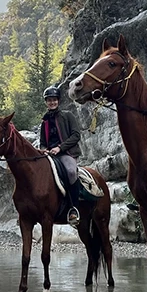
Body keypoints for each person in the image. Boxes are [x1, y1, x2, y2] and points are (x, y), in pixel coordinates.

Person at [40, 85, 82, 227]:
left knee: (71, 172)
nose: (52, 102)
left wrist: (60, 147)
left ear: (58, 101)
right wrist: (44, 150)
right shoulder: (44, 121)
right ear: (46, 102)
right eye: (49, 100)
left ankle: (74, 208)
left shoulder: (67, 116)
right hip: (50, 155)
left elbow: (76, 135)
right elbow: (42, 142)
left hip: (66, 153)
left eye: (54, 100)